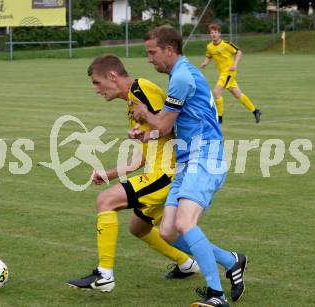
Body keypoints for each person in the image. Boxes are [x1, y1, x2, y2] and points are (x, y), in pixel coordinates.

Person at [130, 25, 247, 307]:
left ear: (169, 50)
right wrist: (145, 134)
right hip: (186, 161)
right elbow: (169, 128)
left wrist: (145, 113)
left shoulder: (181, 76)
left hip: (204, 157)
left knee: (184, 222)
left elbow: (164, 123)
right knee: (169, 231)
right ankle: (232, 261)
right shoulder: (180, 74)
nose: (150, 59)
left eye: (152, 52)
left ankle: (216, 295)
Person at [66, 54, 199, 292]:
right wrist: (108, 174)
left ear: (112, 76)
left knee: (105, 201)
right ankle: (191, 263)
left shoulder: (142, 89)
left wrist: (149, 125)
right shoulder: (132, 104)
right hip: (158, 172)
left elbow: (168, 126)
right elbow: (141, 157)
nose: (96, 89)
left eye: (97, 83)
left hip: (166, 174)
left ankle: (104, 275)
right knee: (139, 228)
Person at [200, 23, 262, 124]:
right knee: (238, 94)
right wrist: (205, 63)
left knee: (216, 92)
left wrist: (235, 64)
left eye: (216, 32)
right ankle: (256, 111)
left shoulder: (226, 44)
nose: (214, 34)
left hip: (229, 72)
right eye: (212, 33)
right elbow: (209, 55)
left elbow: (239, 52)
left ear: (220, 34)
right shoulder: (210, 47)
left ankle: (219, 119)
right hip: (222, 74)